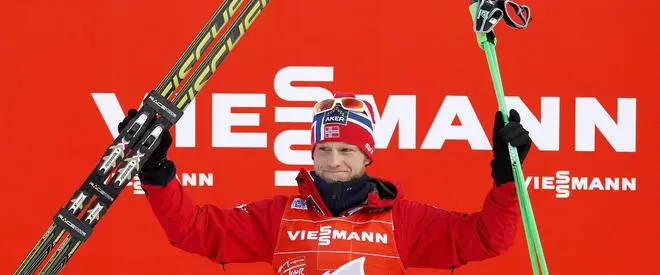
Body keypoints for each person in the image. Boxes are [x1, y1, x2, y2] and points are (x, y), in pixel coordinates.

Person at [120, 92, 532, 274]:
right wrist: (157, 172)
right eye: (325, 150)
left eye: (347, 151)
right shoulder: (278, 216)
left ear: (367, 155)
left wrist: (506, 176)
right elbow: (195, 231)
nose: (333, 161)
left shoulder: (404, 219)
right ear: (313, 153)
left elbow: (486, 239)